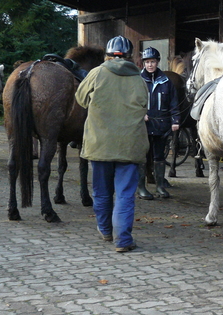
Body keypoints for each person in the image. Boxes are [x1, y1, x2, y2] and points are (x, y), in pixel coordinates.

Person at [75, 35, 149, 253]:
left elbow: (80, 98)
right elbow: (145, 106)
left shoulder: (97, 73)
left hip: (100, 144)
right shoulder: (140, 79)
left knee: (101, 191)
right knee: (125, 194)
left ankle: (106, 230)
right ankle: (123, 240)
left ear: (107, 54)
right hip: (130, 145)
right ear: (131, 56)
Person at [138, 47, 180, 200]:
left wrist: (175, 120)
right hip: (144, 126)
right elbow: (133, 101)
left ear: (157, 62)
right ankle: (141, 187)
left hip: (162, 124)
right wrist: (141, 113)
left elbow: (173, 103)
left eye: (153, 62)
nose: (150, 65)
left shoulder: (166, 81)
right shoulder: (138, 80)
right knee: (143, 156)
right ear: (144, 63)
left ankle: (160, 186)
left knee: (159, 157)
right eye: (147, 62)